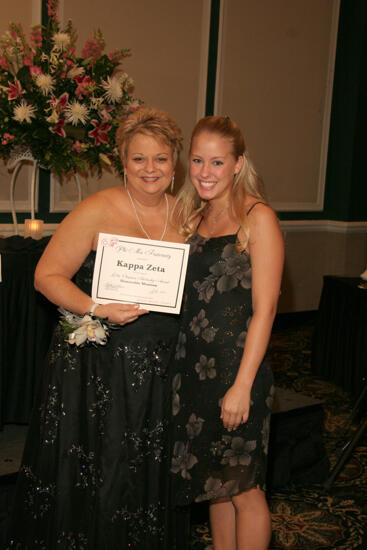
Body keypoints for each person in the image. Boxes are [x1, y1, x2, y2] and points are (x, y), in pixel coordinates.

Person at [6, 107, 188, 550]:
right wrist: (97, 308)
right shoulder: (96, 209)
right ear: (122, 161)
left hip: (162, 368)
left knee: (147, 466)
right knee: (103, 465)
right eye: (139, 159)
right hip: (100, 368)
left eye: (161, 159)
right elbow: (46, 277)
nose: (150, 169)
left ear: (175, 162)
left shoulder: (188, 214)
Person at [171, 115, 284, 550]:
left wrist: (242, 386)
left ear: (238, 164)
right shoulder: (193, 216)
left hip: (239, 373)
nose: (204, 172)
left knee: (244, 489)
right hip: (193, 371)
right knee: (212, 483)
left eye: (217, 163)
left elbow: (266, 309)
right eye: (197, 160)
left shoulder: (259, 218)